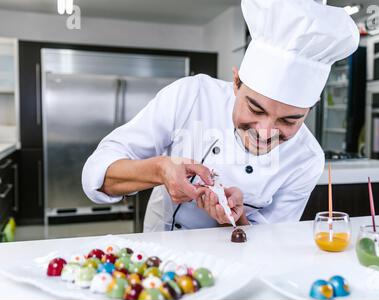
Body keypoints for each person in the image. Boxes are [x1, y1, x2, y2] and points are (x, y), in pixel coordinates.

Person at [82, 0, 359, 232]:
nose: (265, 131)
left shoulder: (307, 158)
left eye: (289, 120)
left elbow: (270, 244)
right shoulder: (192, 95)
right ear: (236, 82)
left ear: (310, 109)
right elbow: (97, 174)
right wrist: (160, 170)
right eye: (255, 108)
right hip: (161, 252)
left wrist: (234, 218)